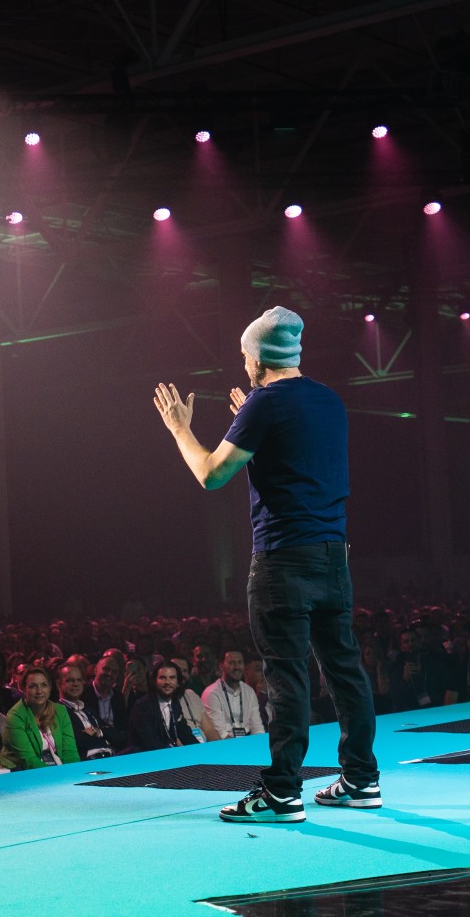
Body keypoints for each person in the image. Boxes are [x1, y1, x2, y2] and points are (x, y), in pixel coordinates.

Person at [154, 305, 379, 823]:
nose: (242, 365)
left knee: (286, 678)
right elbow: (289, 452)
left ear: (257, 356)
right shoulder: (328, 401)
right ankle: (362, 780)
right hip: (332, 558)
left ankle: (282, 792)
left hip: (283, 560)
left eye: (243, 356)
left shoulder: (264, 405)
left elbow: (211, 475)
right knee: (344, 669)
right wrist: (251, 417)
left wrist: (179, 429)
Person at [1, 667, 77, 770]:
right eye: (32, 686)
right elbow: (29, 760)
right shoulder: (15, 716)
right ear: (23, 689)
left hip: (57, 769)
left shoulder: (60, 711)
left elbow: (70, 751)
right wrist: (57, 776)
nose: (39, 691)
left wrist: (73, 773)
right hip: (23, 773)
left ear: (50, 688)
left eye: (44, 685)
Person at [127, 662, 200, 751]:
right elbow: (151, 742)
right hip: (145, 758)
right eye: (162, 678)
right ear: (154, 681)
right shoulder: (142, 707)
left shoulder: (174, 703)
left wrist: (200, 751)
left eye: (172, 678)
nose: (167, 682)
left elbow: (185, 733)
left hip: (167, 755)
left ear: (178, 683)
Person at [201, 651, 264, 741]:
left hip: (247, 742)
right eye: (231, 663)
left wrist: (259, 745)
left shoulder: (249, 691)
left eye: (240, 662)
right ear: (221, 666)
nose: (237, 667)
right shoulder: (211, 693)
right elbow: (220, 733)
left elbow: (257, 727)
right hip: (224, 746)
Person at [56, 664, 112, 759]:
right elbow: (78, 740)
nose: (76, 684)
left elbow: (115, 734)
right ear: (58, 684)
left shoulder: (89, 710)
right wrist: (102, 737)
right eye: (70, 680)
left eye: (79, 680)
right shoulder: (57, 711)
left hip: (108, 756)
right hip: (85, 762)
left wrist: (99, 731)